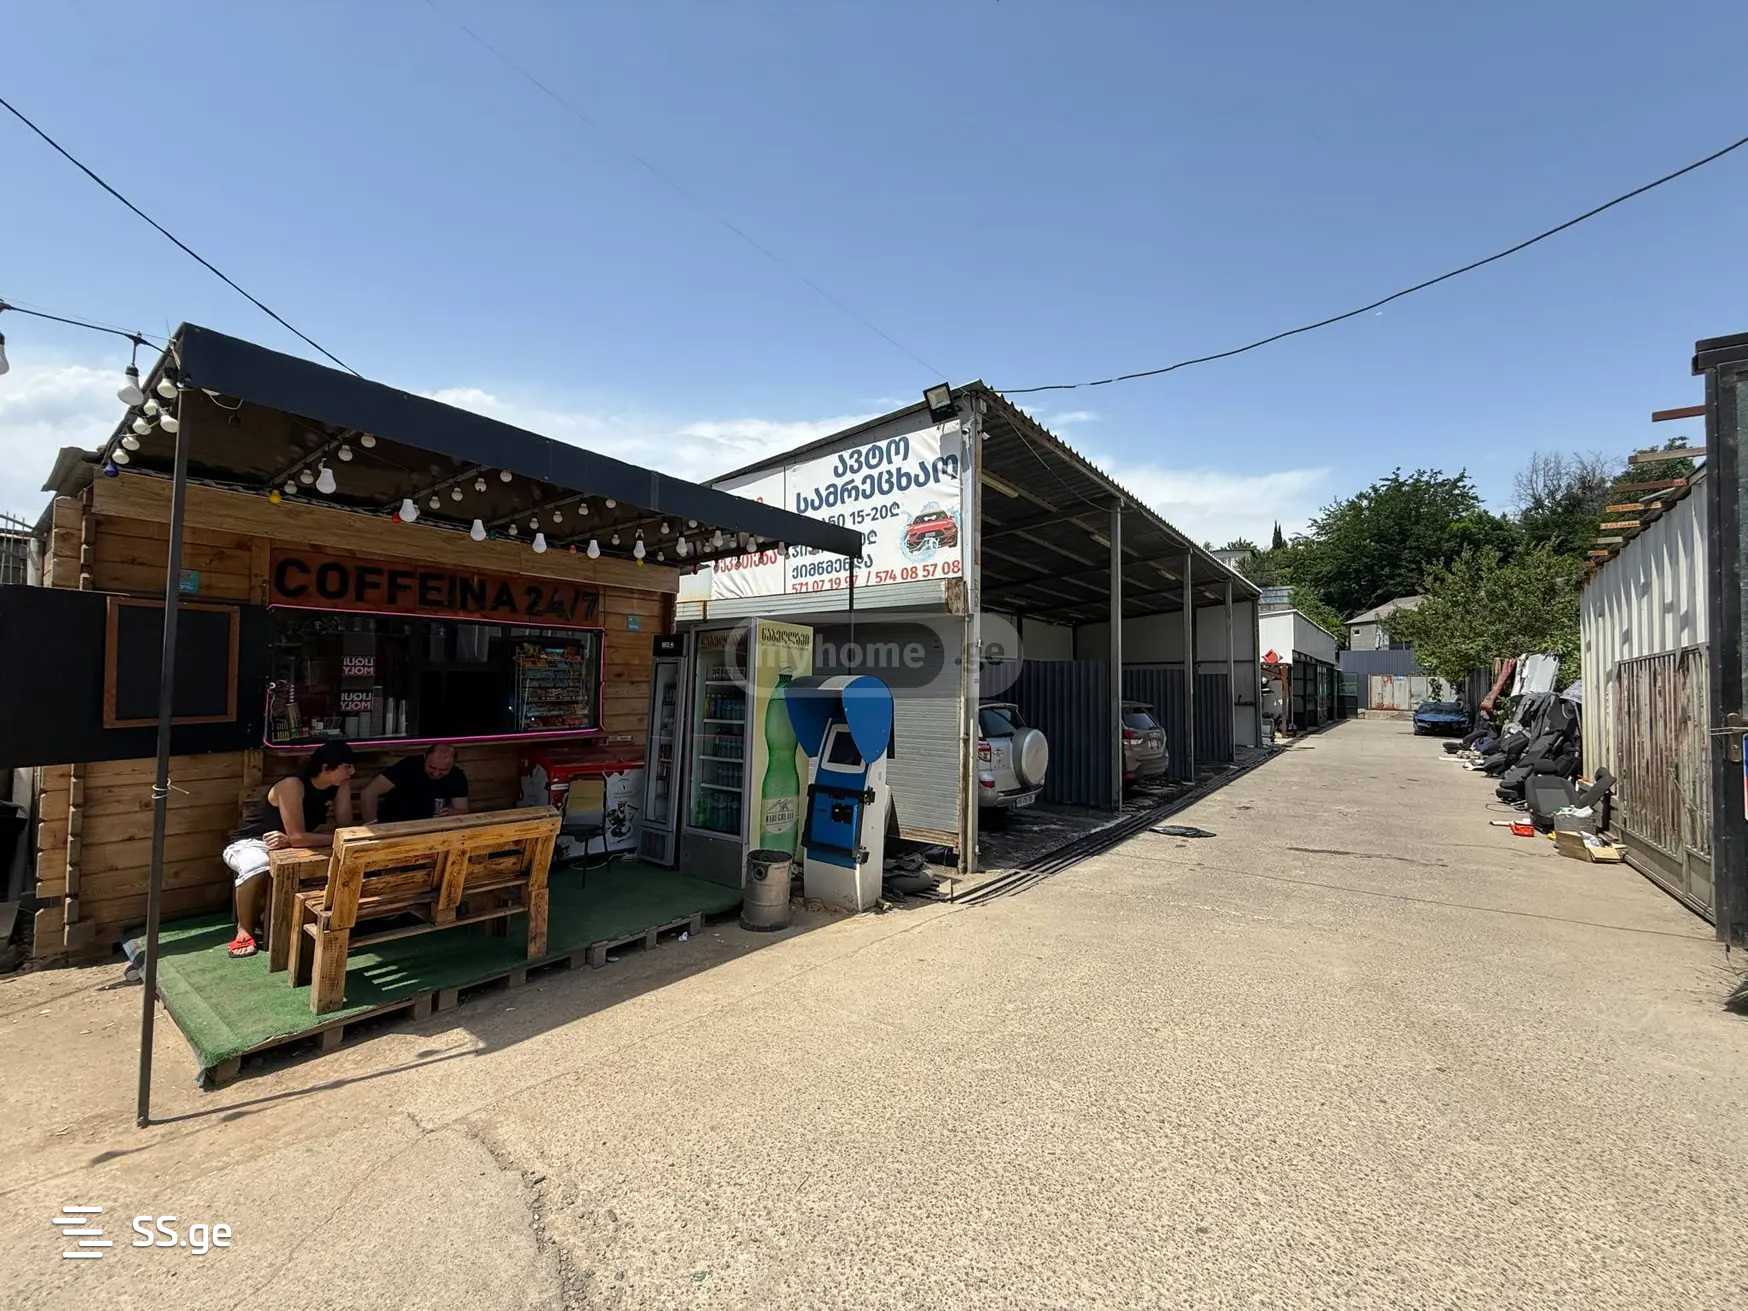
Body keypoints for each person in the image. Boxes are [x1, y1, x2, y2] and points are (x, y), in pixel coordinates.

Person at [222, 740, 356, 959]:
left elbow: (345, 828)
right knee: (257, 865)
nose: (352, 772)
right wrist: (329, 838)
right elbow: (299, 837)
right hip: (252, 843)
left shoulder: (339, 785)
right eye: (347, 767)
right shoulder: (292, 785)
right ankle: (244, 930)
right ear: (326, 767)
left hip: (288, 845)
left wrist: (299, 840)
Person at [361, 742, 470, 824]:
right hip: (395, 824)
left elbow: (462, 809)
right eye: (432, 767)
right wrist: (373, 825)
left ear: (453, 764)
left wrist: (453, 813)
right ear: (425, 757)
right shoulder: (408, 766)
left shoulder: (457, 775)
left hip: (430, 828)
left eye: (443, 770)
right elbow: (369, 792)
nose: (436, 773)